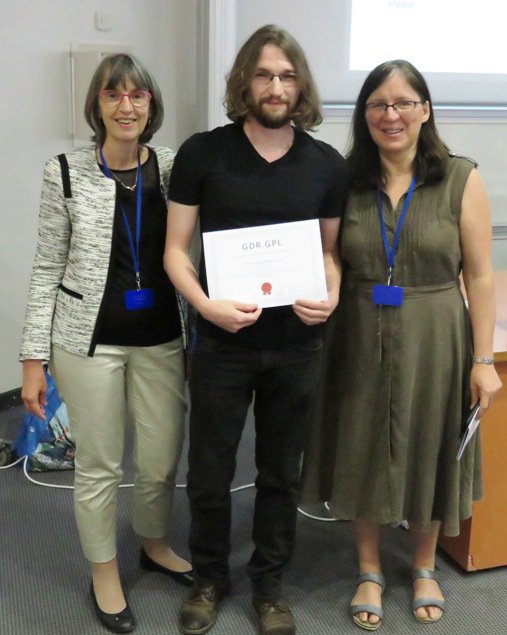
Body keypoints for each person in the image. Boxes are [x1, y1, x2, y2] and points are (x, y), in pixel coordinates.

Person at [301, 59, 503, 630]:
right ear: (364, 115)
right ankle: (368, 567)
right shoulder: (345, 180)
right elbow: (330, 254)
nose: (391, 115)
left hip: (437, 331)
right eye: (378, 105)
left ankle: (422, 565)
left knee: (431, 443)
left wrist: (484, 360)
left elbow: (480, 275)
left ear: (425, 110)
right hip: (358, 327)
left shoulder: (460, 178)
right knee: (361, 443)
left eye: (403, 103)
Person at [164, 24, 348, 635]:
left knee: (280, 473)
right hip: (222, 344)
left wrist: (332, 293)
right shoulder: (202, 154)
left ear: (301, 86)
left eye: (287, 76)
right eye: (265, 74)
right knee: (210, 470)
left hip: (297, 346)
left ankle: (269, 585)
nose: (276, 87)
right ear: (245, 81)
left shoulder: (325, 164)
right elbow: (175, 251)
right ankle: (209, 578)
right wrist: (205, 306)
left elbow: (329, 254)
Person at [19, 53, 193, 634]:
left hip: (161, 337)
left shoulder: (172, 167)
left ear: (151, 104)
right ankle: (104, 571)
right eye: (113, 94)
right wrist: (32, 359)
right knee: (99, 464)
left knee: (162, 457)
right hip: (87, 341)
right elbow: (47, 267)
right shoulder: (64, 171)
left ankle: (154, 543)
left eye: (137, 95)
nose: (126, 106)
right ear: (97, 104)